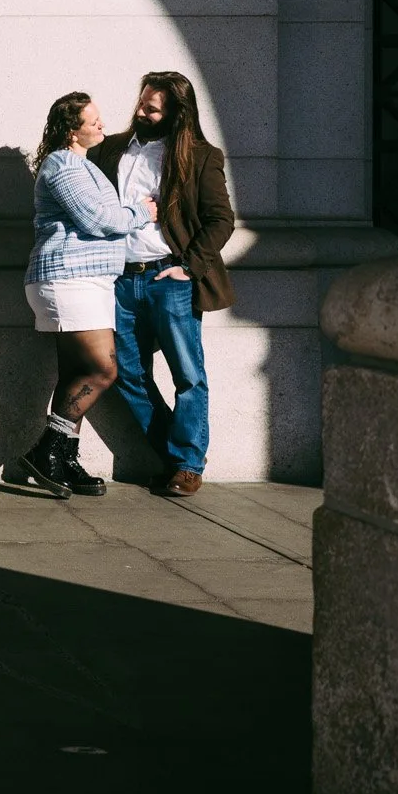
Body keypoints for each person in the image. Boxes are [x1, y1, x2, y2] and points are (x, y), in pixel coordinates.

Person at [87, 71, 236, 497]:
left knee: (188, 374)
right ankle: (178, 456)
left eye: (152, 108)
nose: (140, 111)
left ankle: (187, 465)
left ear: (175, 114)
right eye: (141, 102)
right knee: (126, 373)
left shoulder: (202, 156)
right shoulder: (112, 149)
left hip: (169, 277)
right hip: (119, 279)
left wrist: (189, 267)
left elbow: (221, 220)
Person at [11, 91, 158, 499]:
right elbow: (99, 219)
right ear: (71, 130)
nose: (101, 126)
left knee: (75, 375)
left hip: (86, 281)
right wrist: (144, 212)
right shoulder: (62, 165)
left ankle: (64, 460)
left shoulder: (81, 165)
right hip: (69, 279)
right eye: (93, 121)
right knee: (104, 370)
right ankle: (47, 451)